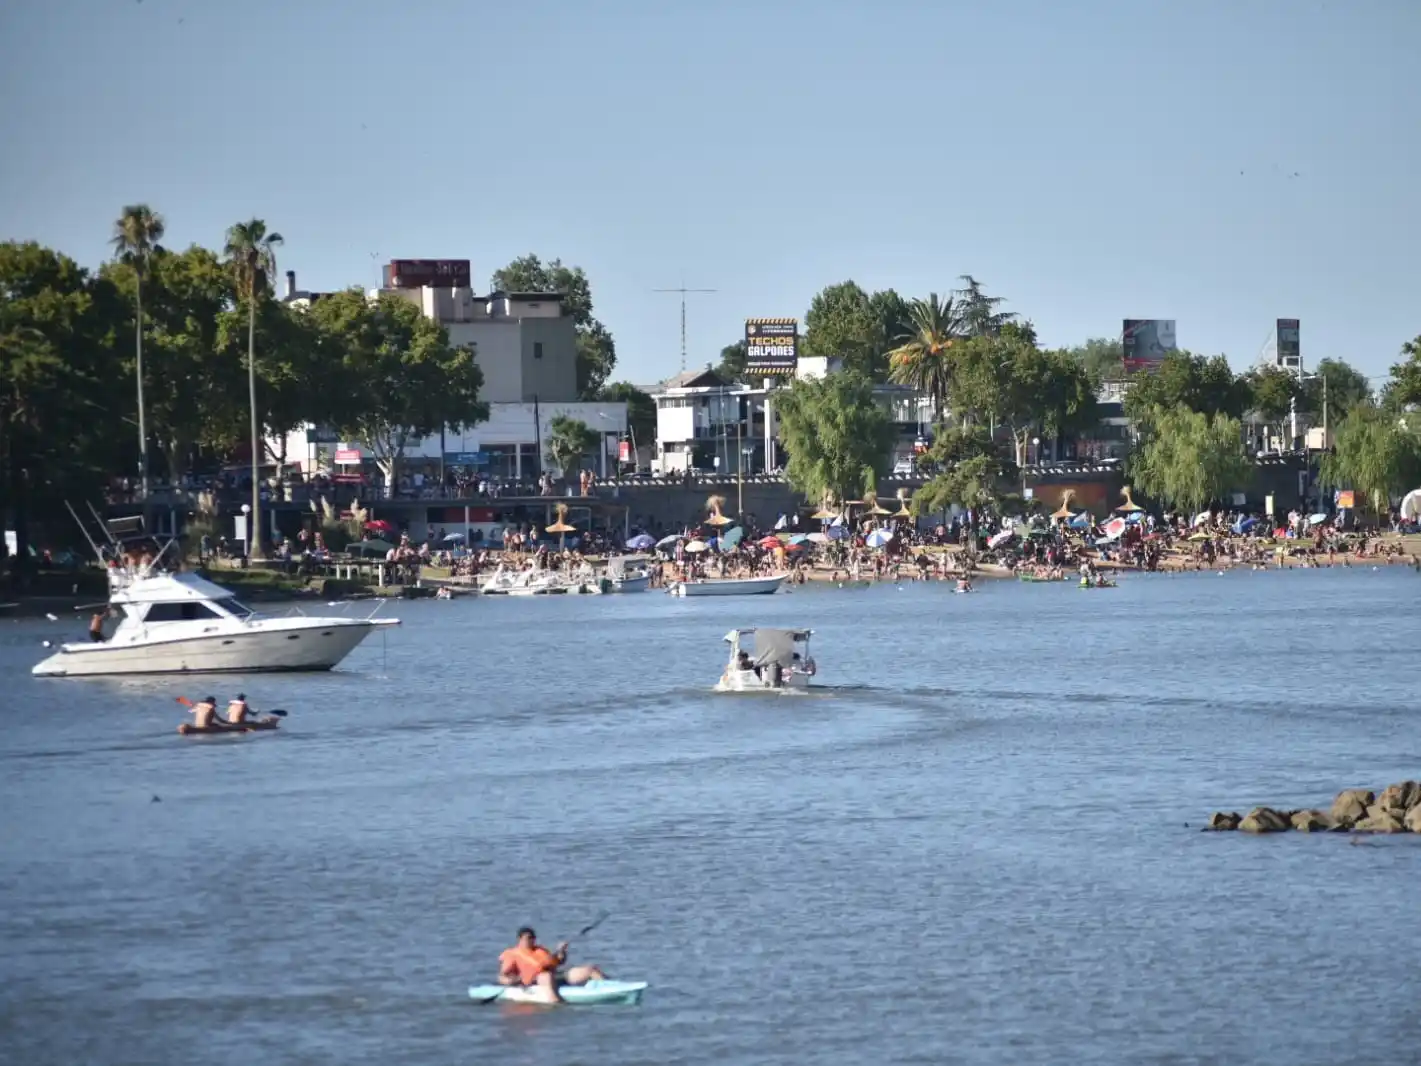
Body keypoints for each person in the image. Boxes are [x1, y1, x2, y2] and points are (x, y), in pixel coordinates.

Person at [497, 926, 606, 1004]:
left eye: (533, 938)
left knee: (590, 969)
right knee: (546, 976)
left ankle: (609, 987)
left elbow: (559, 962)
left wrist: (561, 951)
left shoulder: (541, 950)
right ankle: (556, 1002)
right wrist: (512, 981)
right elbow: (502, 976)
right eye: (528, 938)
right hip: (534, 981)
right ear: (520, 939)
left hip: (554, 975)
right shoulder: (512, 954)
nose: (531, 940)